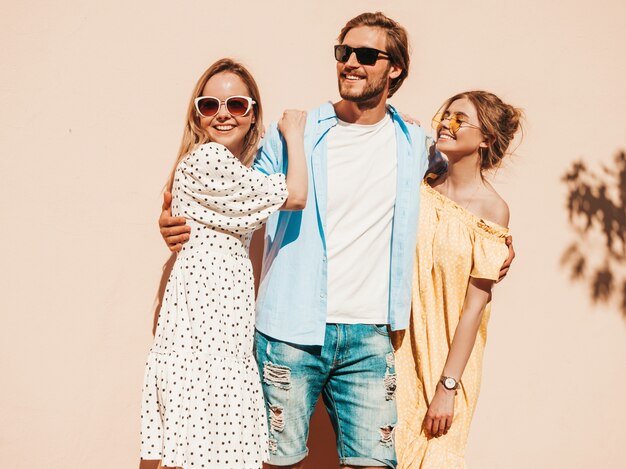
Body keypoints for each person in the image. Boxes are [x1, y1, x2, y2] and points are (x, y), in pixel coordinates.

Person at [158, 13, 515, 469]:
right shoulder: (298, 134)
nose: (350, 62)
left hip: (372, 338)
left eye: (366, 55)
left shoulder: (415, 144)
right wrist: (173, 221)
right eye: (343, 53)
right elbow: (237, 197)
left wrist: (495, 240)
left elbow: (457, 203)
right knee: (274, 462)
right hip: (289, 332)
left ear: (396, 70)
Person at [140, 58, 308, 469]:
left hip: (216, 323)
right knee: (212, 445)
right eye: (209, 105)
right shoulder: (208, 161)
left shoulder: (230, 169)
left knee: (208, 447)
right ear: (197, 117)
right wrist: (296, 135)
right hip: (206, 328)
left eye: (235, 105)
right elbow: (296, 196)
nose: (222, 114)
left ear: (252, 115)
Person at [393, 91, 522, 469]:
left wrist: (448, 387)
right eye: (445, 114)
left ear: (486, 139)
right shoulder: (419, 181)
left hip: (448, 362)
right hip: (396, 350)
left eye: (460, 118)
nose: (446, 123)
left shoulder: (492, 210)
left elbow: (472, 310)